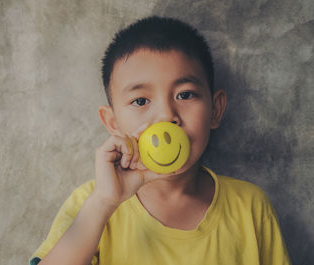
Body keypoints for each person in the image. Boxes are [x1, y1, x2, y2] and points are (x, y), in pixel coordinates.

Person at [29, 16, 291, 265]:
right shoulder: (92, 204)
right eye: (141, 101)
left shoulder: (251, 207)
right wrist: (103, 203)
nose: (166, 116)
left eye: (185, 95)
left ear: (215, 110)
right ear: (112, 123)